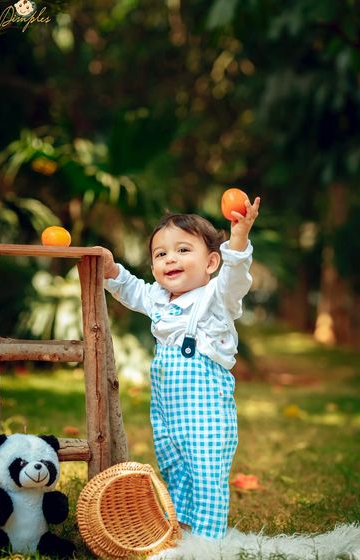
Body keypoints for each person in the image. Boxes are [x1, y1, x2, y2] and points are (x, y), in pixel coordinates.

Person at [102, 196, 260, 541]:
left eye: (183, 250)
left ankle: (206, 539)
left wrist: (239, 237)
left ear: (211, 262)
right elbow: (132, 290)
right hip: (168, 407)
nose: (170, 258)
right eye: (161, 254)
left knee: (205, 467)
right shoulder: (159, 298)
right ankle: (181, 526)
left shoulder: (217, 297)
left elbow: (235, 276)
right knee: (174, 466)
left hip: (206, 406)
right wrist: (112, 271)